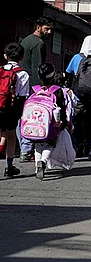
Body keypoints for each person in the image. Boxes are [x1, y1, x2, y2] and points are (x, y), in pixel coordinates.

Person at [18, 17, 53, 161]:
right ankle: (27, 149)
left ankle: (23, 148)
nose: (49, 32)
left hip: (21, 83)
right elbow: (37, 67)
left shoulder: (26, 40)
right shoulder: (38, 44)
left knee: (22, 117)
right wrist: (40, 88)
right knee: (33, 117)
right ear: (38, 27)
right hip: (32, 85)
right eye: (46, 28)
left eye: (50, 29)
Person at [31, 63, 72, 180]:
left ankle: (36, 166)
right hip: (53, 123)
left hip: (36, 122)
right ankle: (43, 162)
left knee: (38, 143)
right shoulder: (57, 90)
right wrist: (64, 122)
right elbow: (62, 107)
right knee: (50, 143)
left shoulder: (34, 89)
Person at [0, 43, 30, 178]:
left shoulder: (0, 70)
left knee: (1, 134)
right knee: (11, 136)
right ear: (22, 58)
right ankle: (8, 167)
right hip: (13, 108)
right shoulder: (23, 74)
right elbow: (23, 95)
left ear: (5, 56)